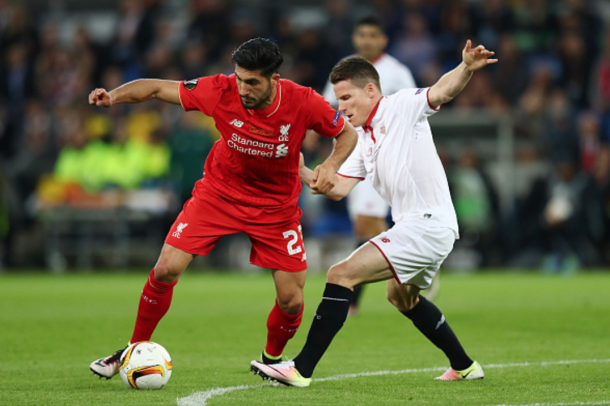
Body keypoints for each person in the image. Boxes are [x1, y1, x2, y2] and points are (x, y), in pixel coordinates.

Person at [88, 38, 358, 379]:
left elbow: (347, 134)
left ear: (275, 79)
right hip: (219, 194)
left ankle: (271, 360)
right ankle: (131, 350)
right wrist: (114, 96)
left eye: (252, 82)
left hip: (276, 207)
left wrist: (331, 166)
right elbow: (156, 88)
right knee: (165, 269)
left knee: (291, 300)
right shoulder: (220, 89)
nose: (243, 89)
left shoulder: (303, 101)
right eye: (240, 78)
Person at [251, 40, 497, 387]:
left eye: (348, 98)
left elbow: (441, 91)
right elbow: (335, 189)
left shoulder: (401, 106)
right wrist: (298, 167)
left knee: (340, 274)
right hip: (425, 228)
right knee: (401, 297)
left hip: (427, 225)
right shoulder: (364, 140)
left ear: (370, 90)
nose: (342, 107)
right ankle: (465, 365)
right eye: (338, 100)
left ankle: (301, 369)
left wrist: (467, 68)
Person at [322, 15, 417, 315]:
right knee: (364, 224)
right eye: (361, 34)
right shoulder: (344, 69)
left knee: (367, 221)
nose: (365, 40)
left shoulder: (397, 73)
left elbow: (415, 113)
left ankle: (354, 296)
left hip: (384, 155)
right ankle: (414, 259)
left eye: (372, 35)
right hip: (354, 154)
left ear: (383, 40)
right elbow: (328, 110)